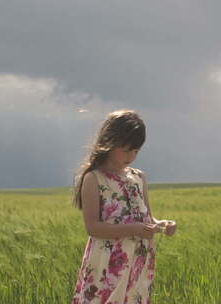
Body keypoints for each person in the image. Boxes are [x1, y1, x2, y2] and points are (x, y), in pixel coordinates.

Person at [71, 109, 177, 304]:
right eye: (127, 149)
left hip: (138, 260)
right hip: (108, 263)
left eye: (136, 151)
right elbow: (93, 227)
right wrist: (134, 229)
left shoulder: (139, 178)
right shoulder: (94, 178)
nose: (132, 156)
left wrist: (163, 225)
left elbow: (148, 219)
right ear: (110, 142)